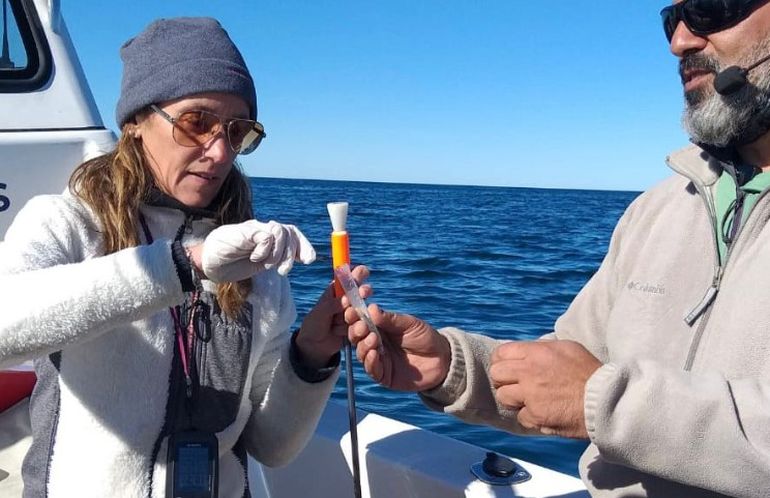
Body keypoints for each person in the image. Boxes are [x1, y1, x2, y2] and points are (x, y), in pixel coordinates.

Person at [347, 1, 770, 496]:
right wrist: (450, 367)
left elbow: (590, 391)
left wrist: (603, 401)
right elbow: (574, 364)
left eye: (709, 8)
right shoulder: (660, 208)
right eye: (669, 20)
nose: (681, 42)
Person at [0, 17, 363, 498]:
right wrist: (185, 265)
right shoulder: (65, 223)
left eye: (237, 133)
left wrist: (312, 355)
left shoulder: (256, 264)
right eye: (197, 122)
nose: (219, 152)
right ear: (135, 124)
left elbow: (272, 447)